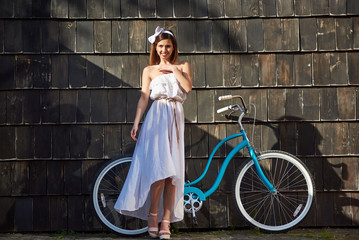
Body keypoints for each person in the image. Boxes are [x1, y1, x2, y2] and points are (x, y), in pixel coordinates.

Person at [114, 26, 192, 239]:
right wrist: (136, 123)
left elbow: (187, 88)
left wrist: (174, 70)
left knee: (172, 174)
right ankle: (152, 214)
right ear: (155, 48)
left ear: (173, 47)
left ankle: (166, 220)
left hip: (175, 117)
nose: (164, 50)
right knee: (160, 170)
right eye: (160, 46)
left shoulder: (183, 65)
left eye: (167, 46)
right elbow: (143, 97)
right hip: (156, 117)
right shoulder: (149, 70)